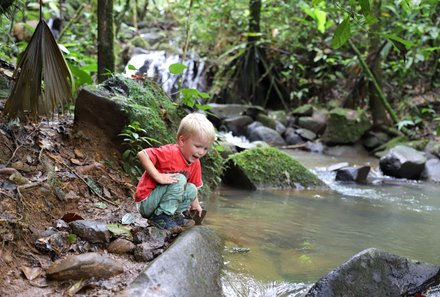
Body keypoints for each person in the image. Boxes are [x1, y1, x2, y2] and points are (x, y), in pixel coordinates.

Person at [134, 112, 216, 233]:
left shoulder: (195, 163)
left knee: (192, 188)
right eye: (198, 146)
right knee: (181, 179)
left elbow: (195, 186)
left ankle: (173, 215)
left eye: (205, 148)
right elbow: (142, 154)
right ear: (182, 141)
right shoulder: (169, 152)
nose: (201, 152)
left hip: (163, 203)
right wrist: (157, 176)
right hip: (147, 202)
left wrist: (196, 205)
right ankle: (161, 217)